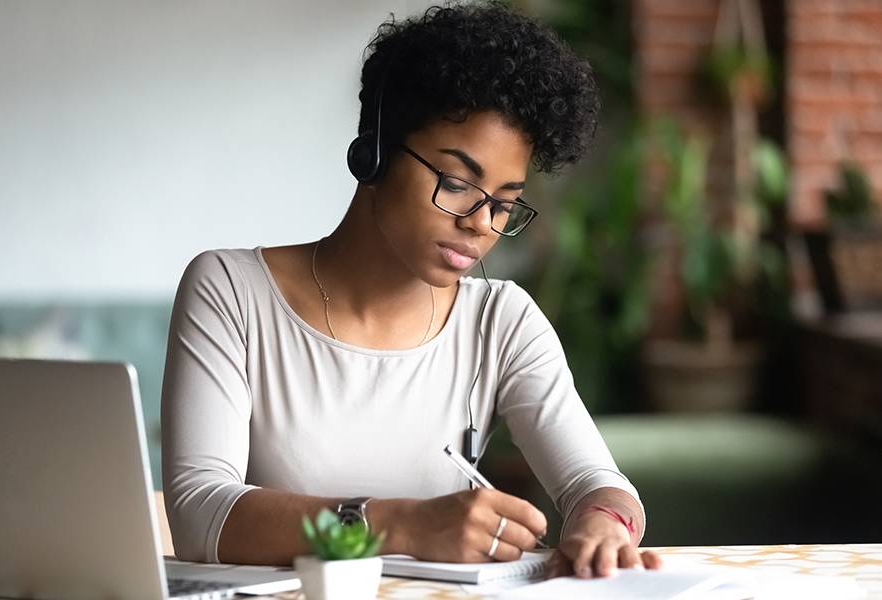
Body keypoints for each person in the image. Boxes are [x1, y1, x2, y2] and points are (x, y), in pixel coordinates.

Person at [161, 2, 662, 580]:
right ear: (373, 151)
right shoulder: (232, 292)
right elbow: (201, 516)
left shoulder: (501, 322)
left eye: (503, 202)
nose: (480, 222)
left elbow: (598, 484)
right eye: (455, 183)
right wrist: (401, 525)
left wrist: (603, 522)